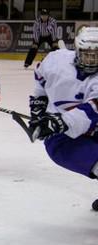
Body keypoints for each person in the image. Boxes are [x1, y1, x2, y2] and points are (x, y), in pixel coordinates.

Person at [28, 27, 98, 210]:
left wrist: (59, 121)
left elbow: (91, 111)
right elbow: (40, 82)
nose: (91, 60)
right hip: (62, 139)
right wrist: (38, 111)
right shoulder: (55, 60)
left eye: (96, 55)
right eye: (86, 54)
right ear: (76, 50)